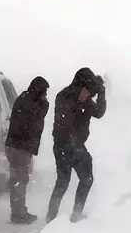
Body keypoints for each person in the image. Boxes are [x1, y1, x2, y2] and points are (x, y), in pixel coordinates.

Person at [45, 67, 107, 223]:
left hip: (77, 146)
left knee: (86, 179)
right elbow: (65, 123)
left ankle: (76, 214)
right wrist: (79, 103)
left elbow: (99, 113)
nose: (88, 91)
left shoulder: (86, 99)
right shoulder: (63, 96)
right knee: (63, 182)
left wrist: (101, 94)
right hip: (63, 145)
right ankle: (51, 217)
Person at [4, 75, 50, 224]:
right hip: (20, 147)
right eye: (44, 92)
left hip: (15, 146)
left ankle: (18, 211)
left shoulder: (25, 98)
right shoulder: (30, 103)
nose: (45, 95)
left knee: (18, 179)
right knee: (20, 179)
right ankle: (19, 214)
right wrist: (44, 104)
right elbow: (37, 118)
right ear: (38, 91)